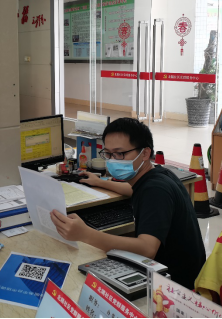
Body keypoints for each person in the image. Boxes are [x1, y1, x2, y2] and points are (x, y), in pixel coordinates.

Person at [51, 118, 206, 290]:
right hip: (184, 275)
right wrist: (100, 182)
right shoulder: (157, 175)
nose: (112, 160)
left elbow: (147, 249)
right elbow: (133, 189)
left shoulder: (155, 190)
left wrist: (85, 234)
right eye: (108, 154)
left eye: (120, 154)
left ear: (145, 153)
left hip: (175, 287)